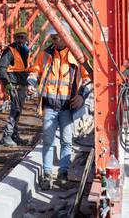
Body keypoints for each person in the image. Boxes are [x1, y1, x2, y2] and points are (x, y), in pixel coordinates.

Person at [27, 21, 91, 190]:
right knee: (47, 140)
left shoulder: (77, 56)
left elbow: (89, 78)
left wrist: (82, 96)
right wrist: (31, 83)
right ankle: (47, 174)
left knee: (66, 141)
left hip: (67, 108)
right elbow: (35, 70)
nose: (53, 41)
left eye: (56, 38)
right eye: (53, 38)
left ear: (65, 37)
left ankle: (63, 174)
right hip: (49, 105)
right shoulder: (46, 54)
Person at [0, 27, 30, 146]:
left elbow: (23, 69)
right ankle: (7, 136)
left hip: (21, 84)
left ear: (26, 38)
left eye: (23, 37)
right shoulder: (10, 51)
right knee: (15, 110)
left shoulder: (25, 50)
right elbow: (1, 68)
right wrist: (7, 85)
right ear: (15, 38)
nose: (20, 40)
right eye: (18, 37)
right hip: (13, 85)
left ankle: (14, 135)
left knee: (18, 111)